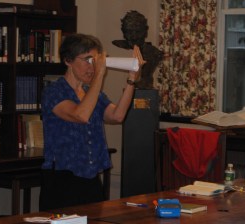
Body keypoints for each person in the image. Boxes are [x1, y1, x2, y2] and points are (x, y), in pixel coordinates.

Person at [39, 33, 145, 211]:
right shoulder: (53, 92)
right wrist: (99, 76)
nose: (92, 67)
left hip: (90, 177)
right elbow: (80, 115)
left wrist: (132, 79)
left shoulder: (91, 92)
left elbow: (117, 116)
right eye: (87, 60)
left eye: (95, 61)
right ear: (68, 61)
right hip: (62, 179)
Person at [112, 10, 163, 89]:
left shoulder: (154, 53)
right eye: (129, 32)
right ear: (124, 32)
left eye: (137, 31)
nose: (134, 36)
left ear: (145, 31)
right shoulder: (116, 47)